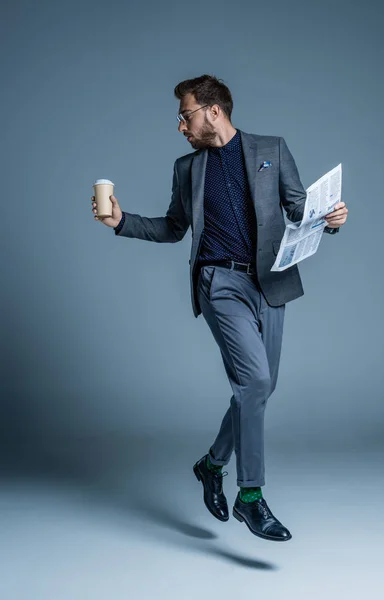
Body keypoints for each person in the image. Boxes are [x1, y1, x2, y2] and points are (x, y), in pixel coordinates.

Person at [91, 74, 348, 542]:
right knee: (255, 381)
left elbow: (297, 209)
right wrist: (120, 220)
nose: (181, 126)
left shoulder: (272, 148)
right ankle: (251, 498)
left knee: (258, 389)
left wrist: (329, 219)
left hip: (270, 281)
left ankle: (211, 466)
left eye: (185, 115)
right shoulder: (187, 168)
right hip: (220, 281)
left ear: (213, 111)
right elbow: (173, 228)